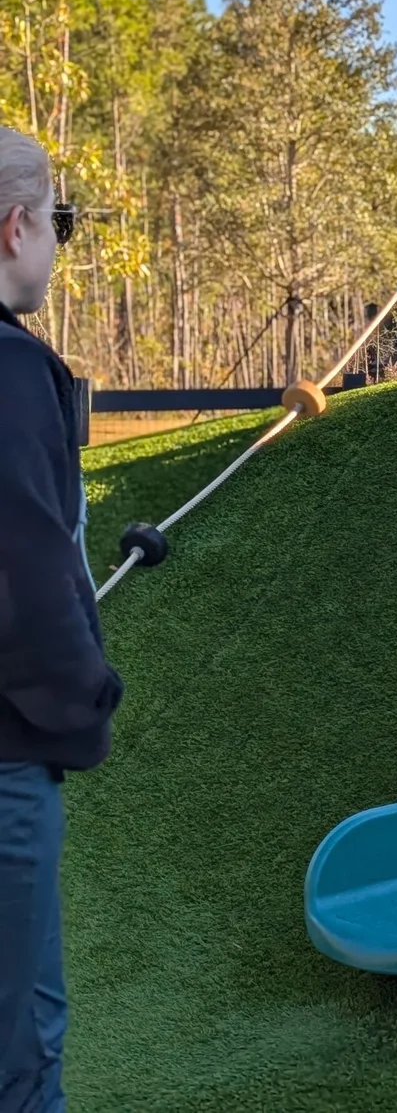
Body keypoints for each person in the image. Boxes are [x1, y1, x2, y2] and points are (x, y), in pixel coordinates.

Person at [0, 126, 123, 1112]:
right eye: (55, 225)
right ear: (13, 227)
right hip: (5, 758)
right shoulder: (12, 370)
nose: (54, 246)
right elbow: (29, 561)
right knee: (21, 1045)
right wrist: (86, 691)